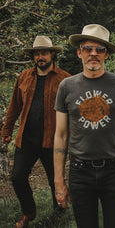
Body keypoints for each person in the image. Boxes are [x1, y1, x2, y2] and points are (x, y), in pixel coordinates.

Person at [53, 24, 115, 227]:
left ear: (107, 55)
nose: (94, 54)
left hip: (114, 170)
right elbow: (61, 135)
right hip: (80, 171)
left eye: (100, 50)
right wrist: (58, 181)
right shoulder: (66, 86)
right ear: (79, 53)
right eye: (88, 49)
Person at [1, 36, 70, 228]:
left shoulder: (65, 79)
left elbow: (73, 111)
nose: (41, 57)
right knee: (17, 177)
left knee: (54, 181)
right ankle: (29, 212)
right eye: (37, 53)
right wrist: (6, 130)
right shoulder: (24, 77)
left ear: (52, 54)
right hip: (27, 140)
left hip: (53, 141)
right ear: (33, 56)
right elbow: (14, 106)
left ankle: (59, 213)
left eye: (44, 53)